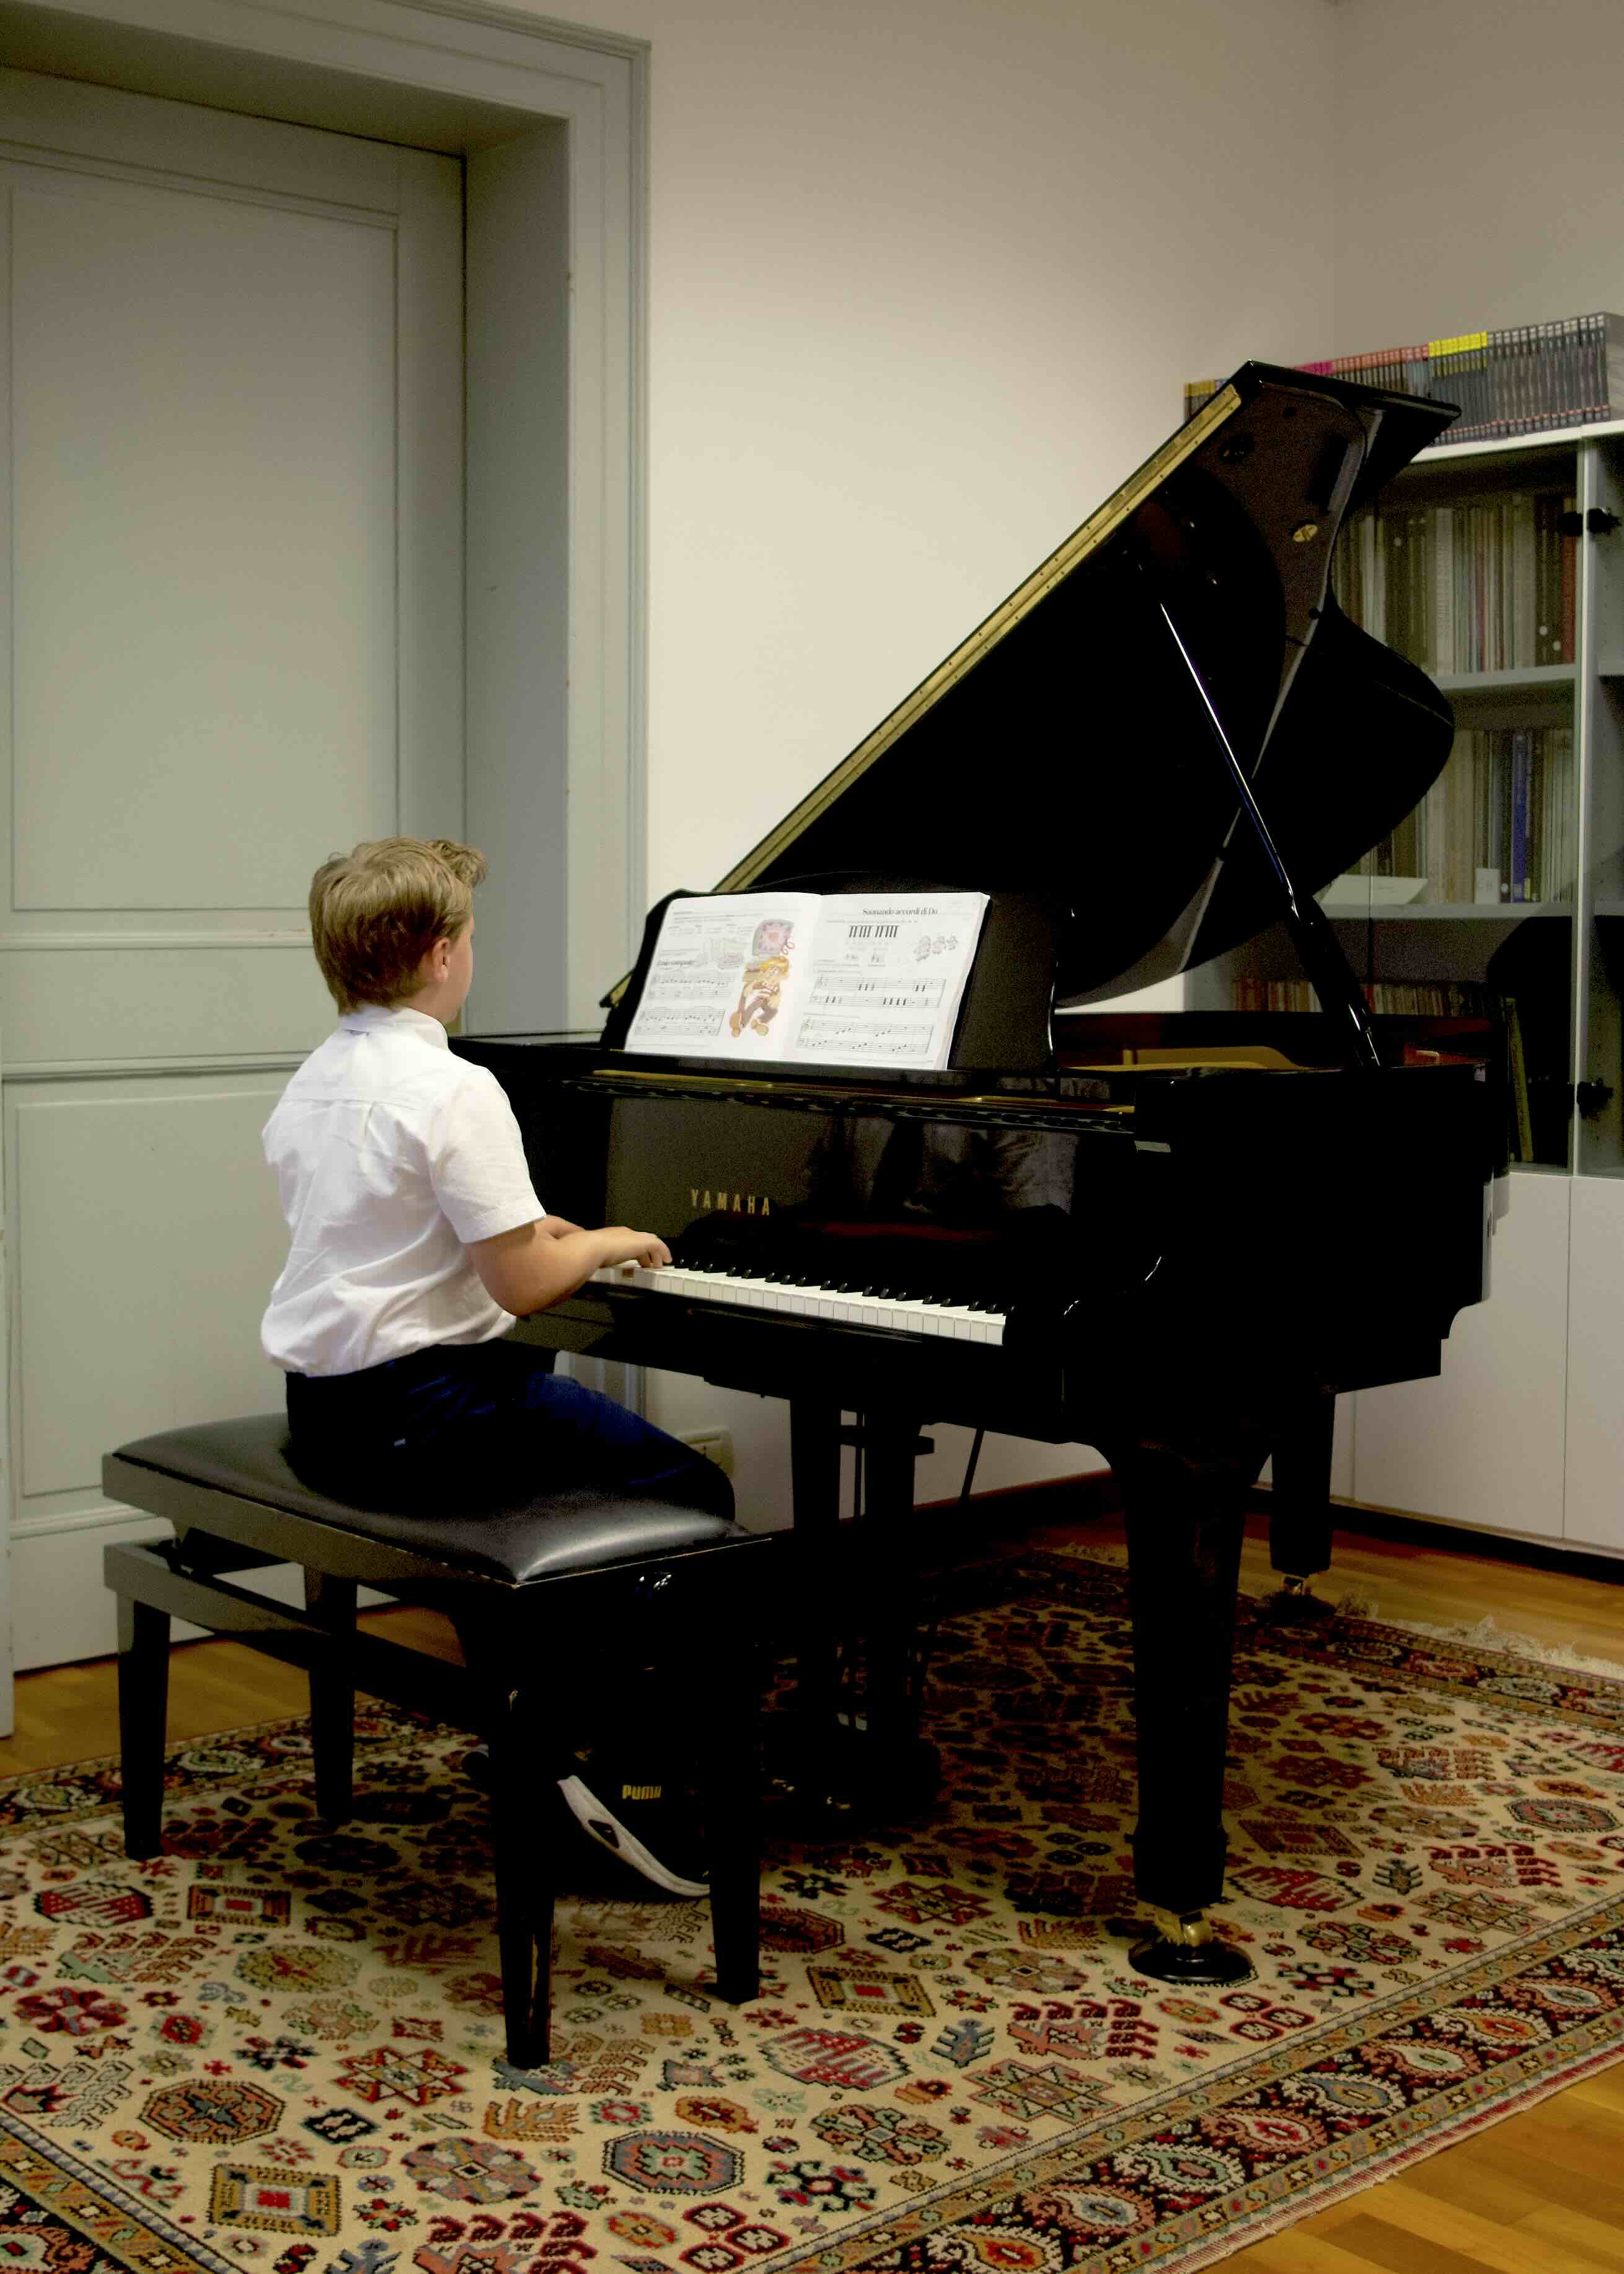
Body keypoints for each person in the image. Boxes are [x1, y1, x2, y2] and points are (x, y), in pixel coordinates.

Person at [260, 836, 727, 1895]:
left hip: (328, 1411)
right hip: (432, 1414)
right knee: (694, 1491)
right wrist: (608, 1240)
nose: (474, 954)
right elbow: (522, 1289)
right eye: (468, 936)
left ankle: (543, 1707)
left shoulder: (319, 1078)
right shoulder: (454, 1087)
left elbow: (401, 1231)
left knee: (586, 1470)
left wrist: (532, 1228)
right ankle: (606, 1767)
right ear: (437, 955)